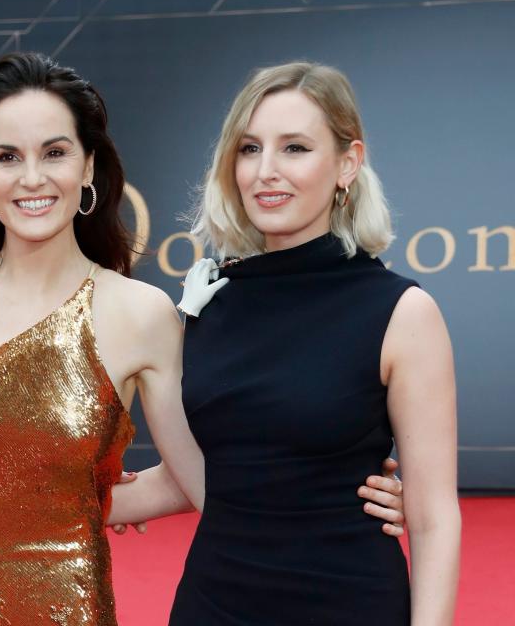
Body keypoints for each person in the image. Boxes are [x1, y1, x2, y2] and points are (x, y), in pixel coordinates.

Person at [0, 52, 404, 625]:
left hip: (68, 604)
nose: (32, 178)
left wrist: (337, 488)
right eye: (7, 157)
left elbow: (200, 477)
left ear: (88, 168)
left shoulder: (142, 313)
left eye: (55, 153)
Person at [162, 62, 460, 624]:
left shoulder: (401, 313)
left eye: (294, 148)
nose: (265, 171)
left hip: (347, 602)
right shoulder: (212, 307)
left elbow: (433, 518)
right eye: (249, 149)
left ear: (347, 163)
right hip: (212, 603)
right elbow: (210, 468)